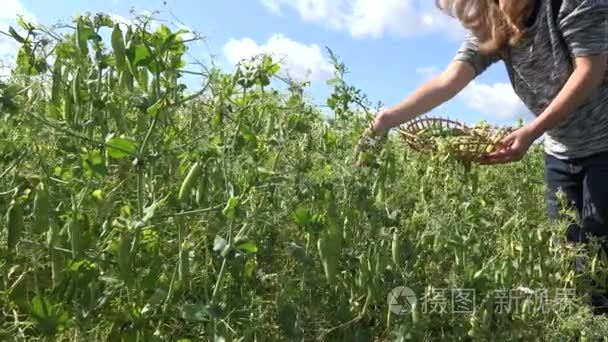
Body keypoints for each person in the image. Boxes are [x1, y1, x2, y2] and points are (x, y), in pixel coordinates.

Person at [358, 0, 608, 313]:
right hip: (561, 151)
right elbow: (448, 81)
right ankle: (585, 325)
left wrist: (532, 131)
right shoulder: (497, 26)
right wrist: (387, 119)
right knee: (570, 255)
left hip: (604, 145)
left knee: (600, 250)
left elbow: (591, 70)